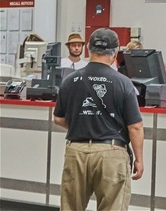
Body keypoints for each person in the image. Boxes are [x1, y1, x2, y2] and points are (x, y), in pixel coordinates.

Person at [52, 28, 144, 211]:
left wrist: (81, 123)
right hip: (111, 152)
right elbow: (135, 126)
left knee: (71, 207)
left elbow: (58, 119)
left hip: (76, 150)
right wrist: (139, 160)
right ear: (116, 51)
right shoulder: (123, 82)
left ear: (88, 48)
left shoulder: (69, 80)